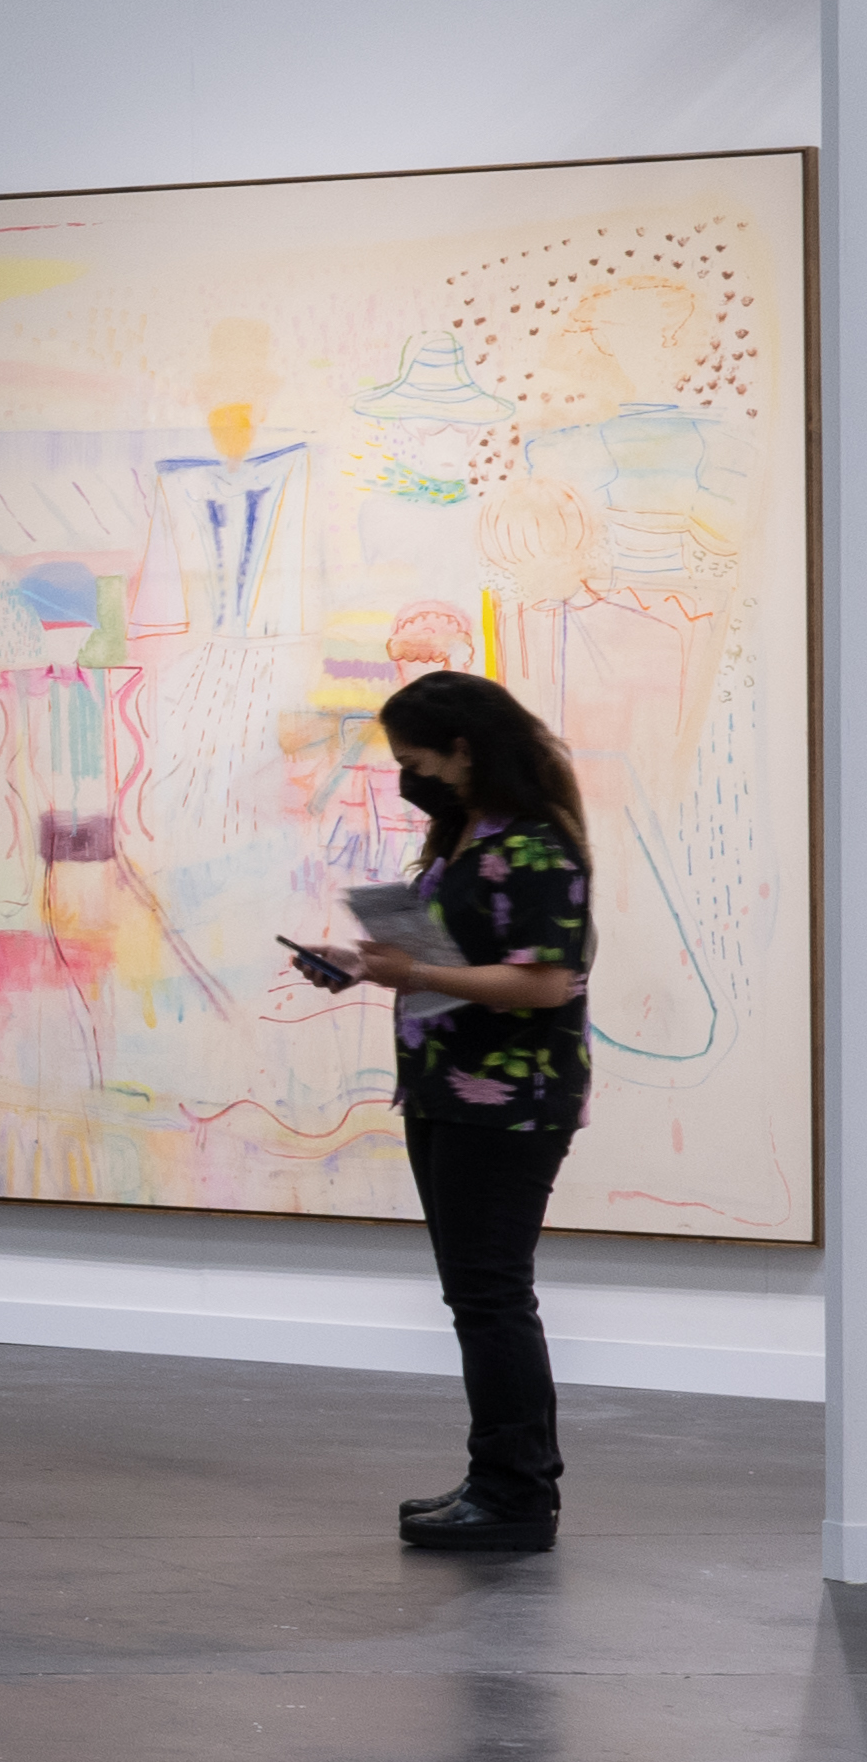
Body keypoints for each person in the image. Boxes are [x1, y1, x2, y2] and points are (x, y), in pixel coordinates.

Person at [285, 665, 592, 1557]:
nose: (406, 775)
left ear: (463, 750)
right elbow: (460, 956)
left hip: (510, 1103)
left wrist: (411, 972)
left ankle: (516, 1496)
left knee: (491, 1296)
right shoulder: (468, 838)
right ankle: (503, 1476)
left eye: (414, 758)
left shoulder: (535, 848)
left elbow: (543, 982)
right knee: (481, 1295)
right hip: (444, 1091)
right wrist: (363, 964)